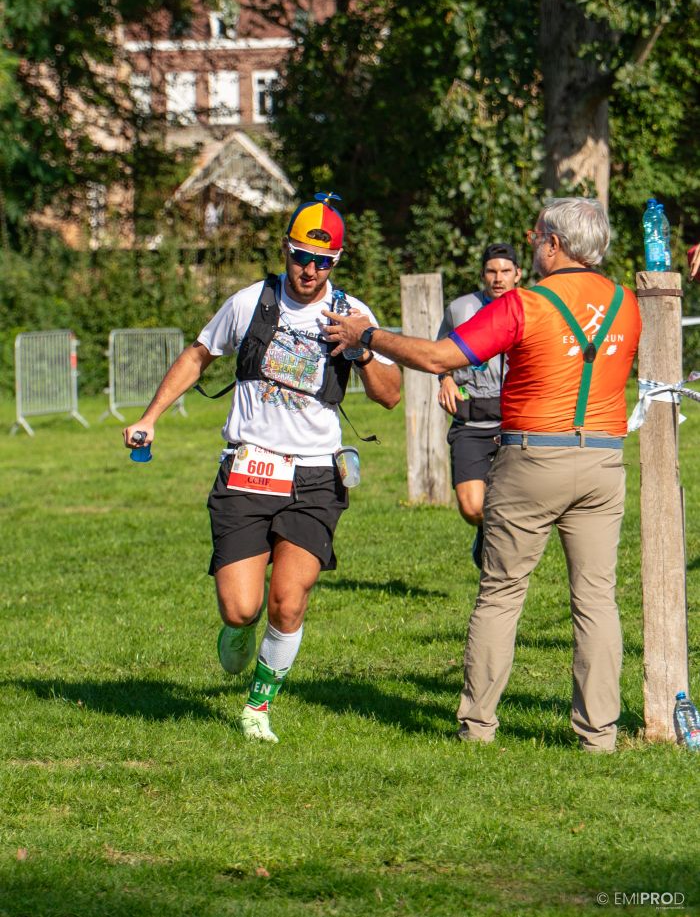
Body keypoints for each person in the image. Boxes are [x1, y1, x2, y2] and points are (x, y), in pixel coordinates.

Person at [325, 197, 642, 753]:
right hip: (603, 459)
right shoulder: (626, 302)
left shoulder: (525, 303)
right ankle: (599, 736)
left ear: (555, 244)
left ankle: (477, 727)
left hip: (533, 458)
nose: (533, 243)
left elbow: (438, 358)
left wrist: (366, 336)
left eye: (537, 236)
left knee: (501, 593)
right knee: (597, 600)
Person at [124, 192, 401, 744]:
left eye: (322, 261)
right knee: (241, 607)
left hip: (315, 475)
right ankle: (237, 629)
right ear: (285, 251)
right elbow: (198, 355)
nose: (310, 270)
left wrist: (362, 348)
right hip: (248, 467)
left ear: (336, 262)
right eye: (301, 257)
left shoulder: (354, 313)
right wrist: (151, 416)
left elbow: (390, 395)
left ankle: (258, 706)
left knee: (289, 600)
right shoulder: (250, 302)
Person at [436, 243, 522, 569]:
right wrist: (445, 378)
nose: (498, 278)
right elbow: (440, 353)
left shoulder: (531, 307)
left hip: (515, 420)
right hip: (471, 422)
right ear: (483, 274)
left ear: (517, 274)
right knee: (473, 507)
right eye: (491, 271)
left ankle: (504, 561)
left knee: (513, 501)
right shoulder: (460, 309)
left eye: (505, 271)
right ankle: (485, 531)